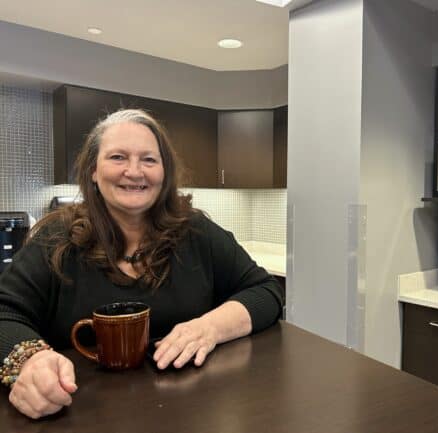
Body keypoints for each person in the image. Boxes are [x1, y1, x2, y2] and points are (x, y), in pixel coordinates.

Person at [0, 108, 284, 419]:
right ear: (93, 170)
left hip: (186, 415)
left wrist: (210, 328)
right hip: (82, 417)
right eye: (118, 157)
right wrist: (30, 361)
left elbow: (265, 291)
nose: (135, 172)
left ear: (165, 172)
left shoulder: (197, 232)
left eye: (149, 159)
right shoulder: (55, 241)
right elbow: (5, 313)